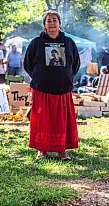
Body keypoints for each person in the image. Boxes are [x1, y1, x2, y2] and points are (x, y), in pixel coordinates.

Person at [24, 10, 80, 160]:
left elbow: (75, 63)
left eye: (54, 20)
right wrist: (39, 78)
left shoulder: (68, 42)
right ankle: (42, 150)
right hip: (42, 90)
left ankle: (62, 151)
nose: (52, 23)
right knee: (42, 121)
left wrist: (65, 77)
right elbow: (28, 64)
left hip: (62, 90)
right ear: (44, 25)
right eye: (48, 21)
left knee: (62, 122)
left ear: (60, 24)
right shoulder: (36, 43)